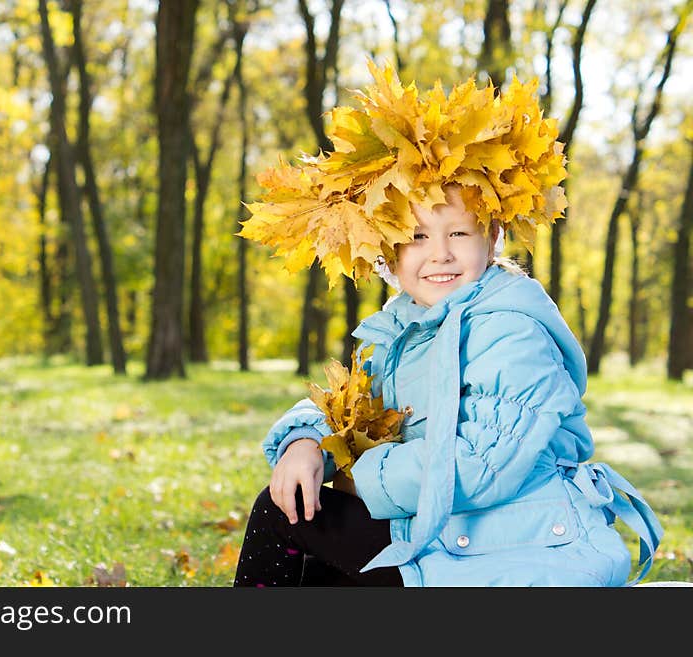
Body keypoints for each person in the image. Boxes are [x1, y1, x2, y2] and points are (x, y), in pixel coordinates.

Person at [232, 61, 663, 587]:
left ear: (493, 236)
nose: (439, 255)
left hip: (516, 555)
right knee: (304, 521)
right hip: (443, 537)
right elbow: (349, 410)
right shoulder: (402, 327)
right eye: (415, 237)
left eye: (459, 233)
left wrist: (349, 476)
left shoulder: (512, 330)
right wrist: (304, 442)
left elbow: (481, 466)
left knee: (287, 515)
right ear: (386, 249)